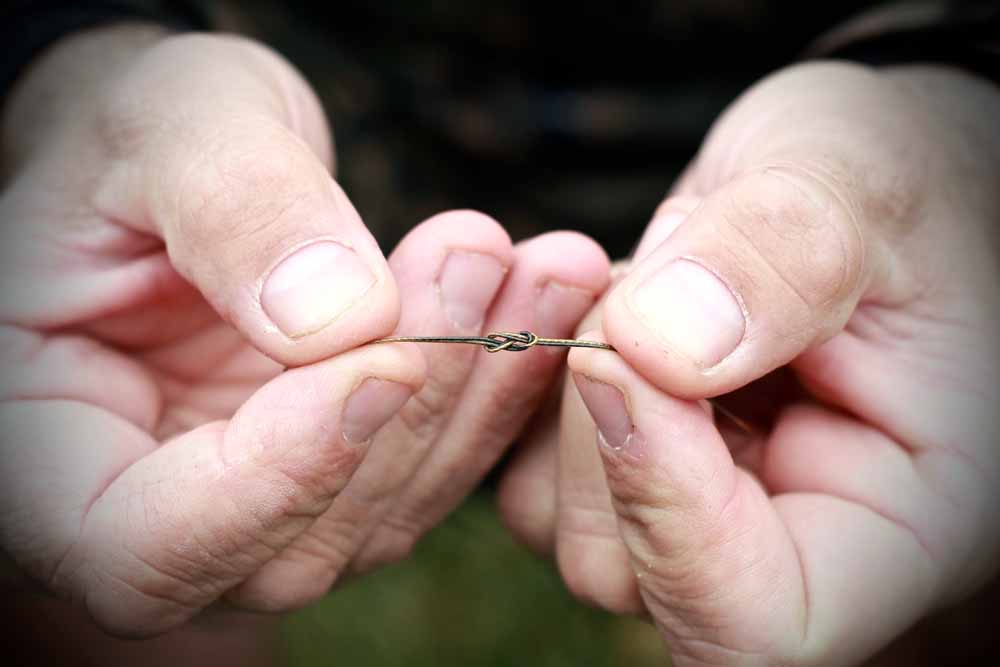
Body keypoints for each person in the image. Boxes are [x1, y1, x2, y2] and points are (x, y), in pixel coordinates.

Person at [1, 2, 997, 665]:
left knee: (890, 542)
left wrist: (958, 123)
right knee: (151, 568)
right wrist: (66, 67)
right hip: (322, 96)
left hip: (760, 115)